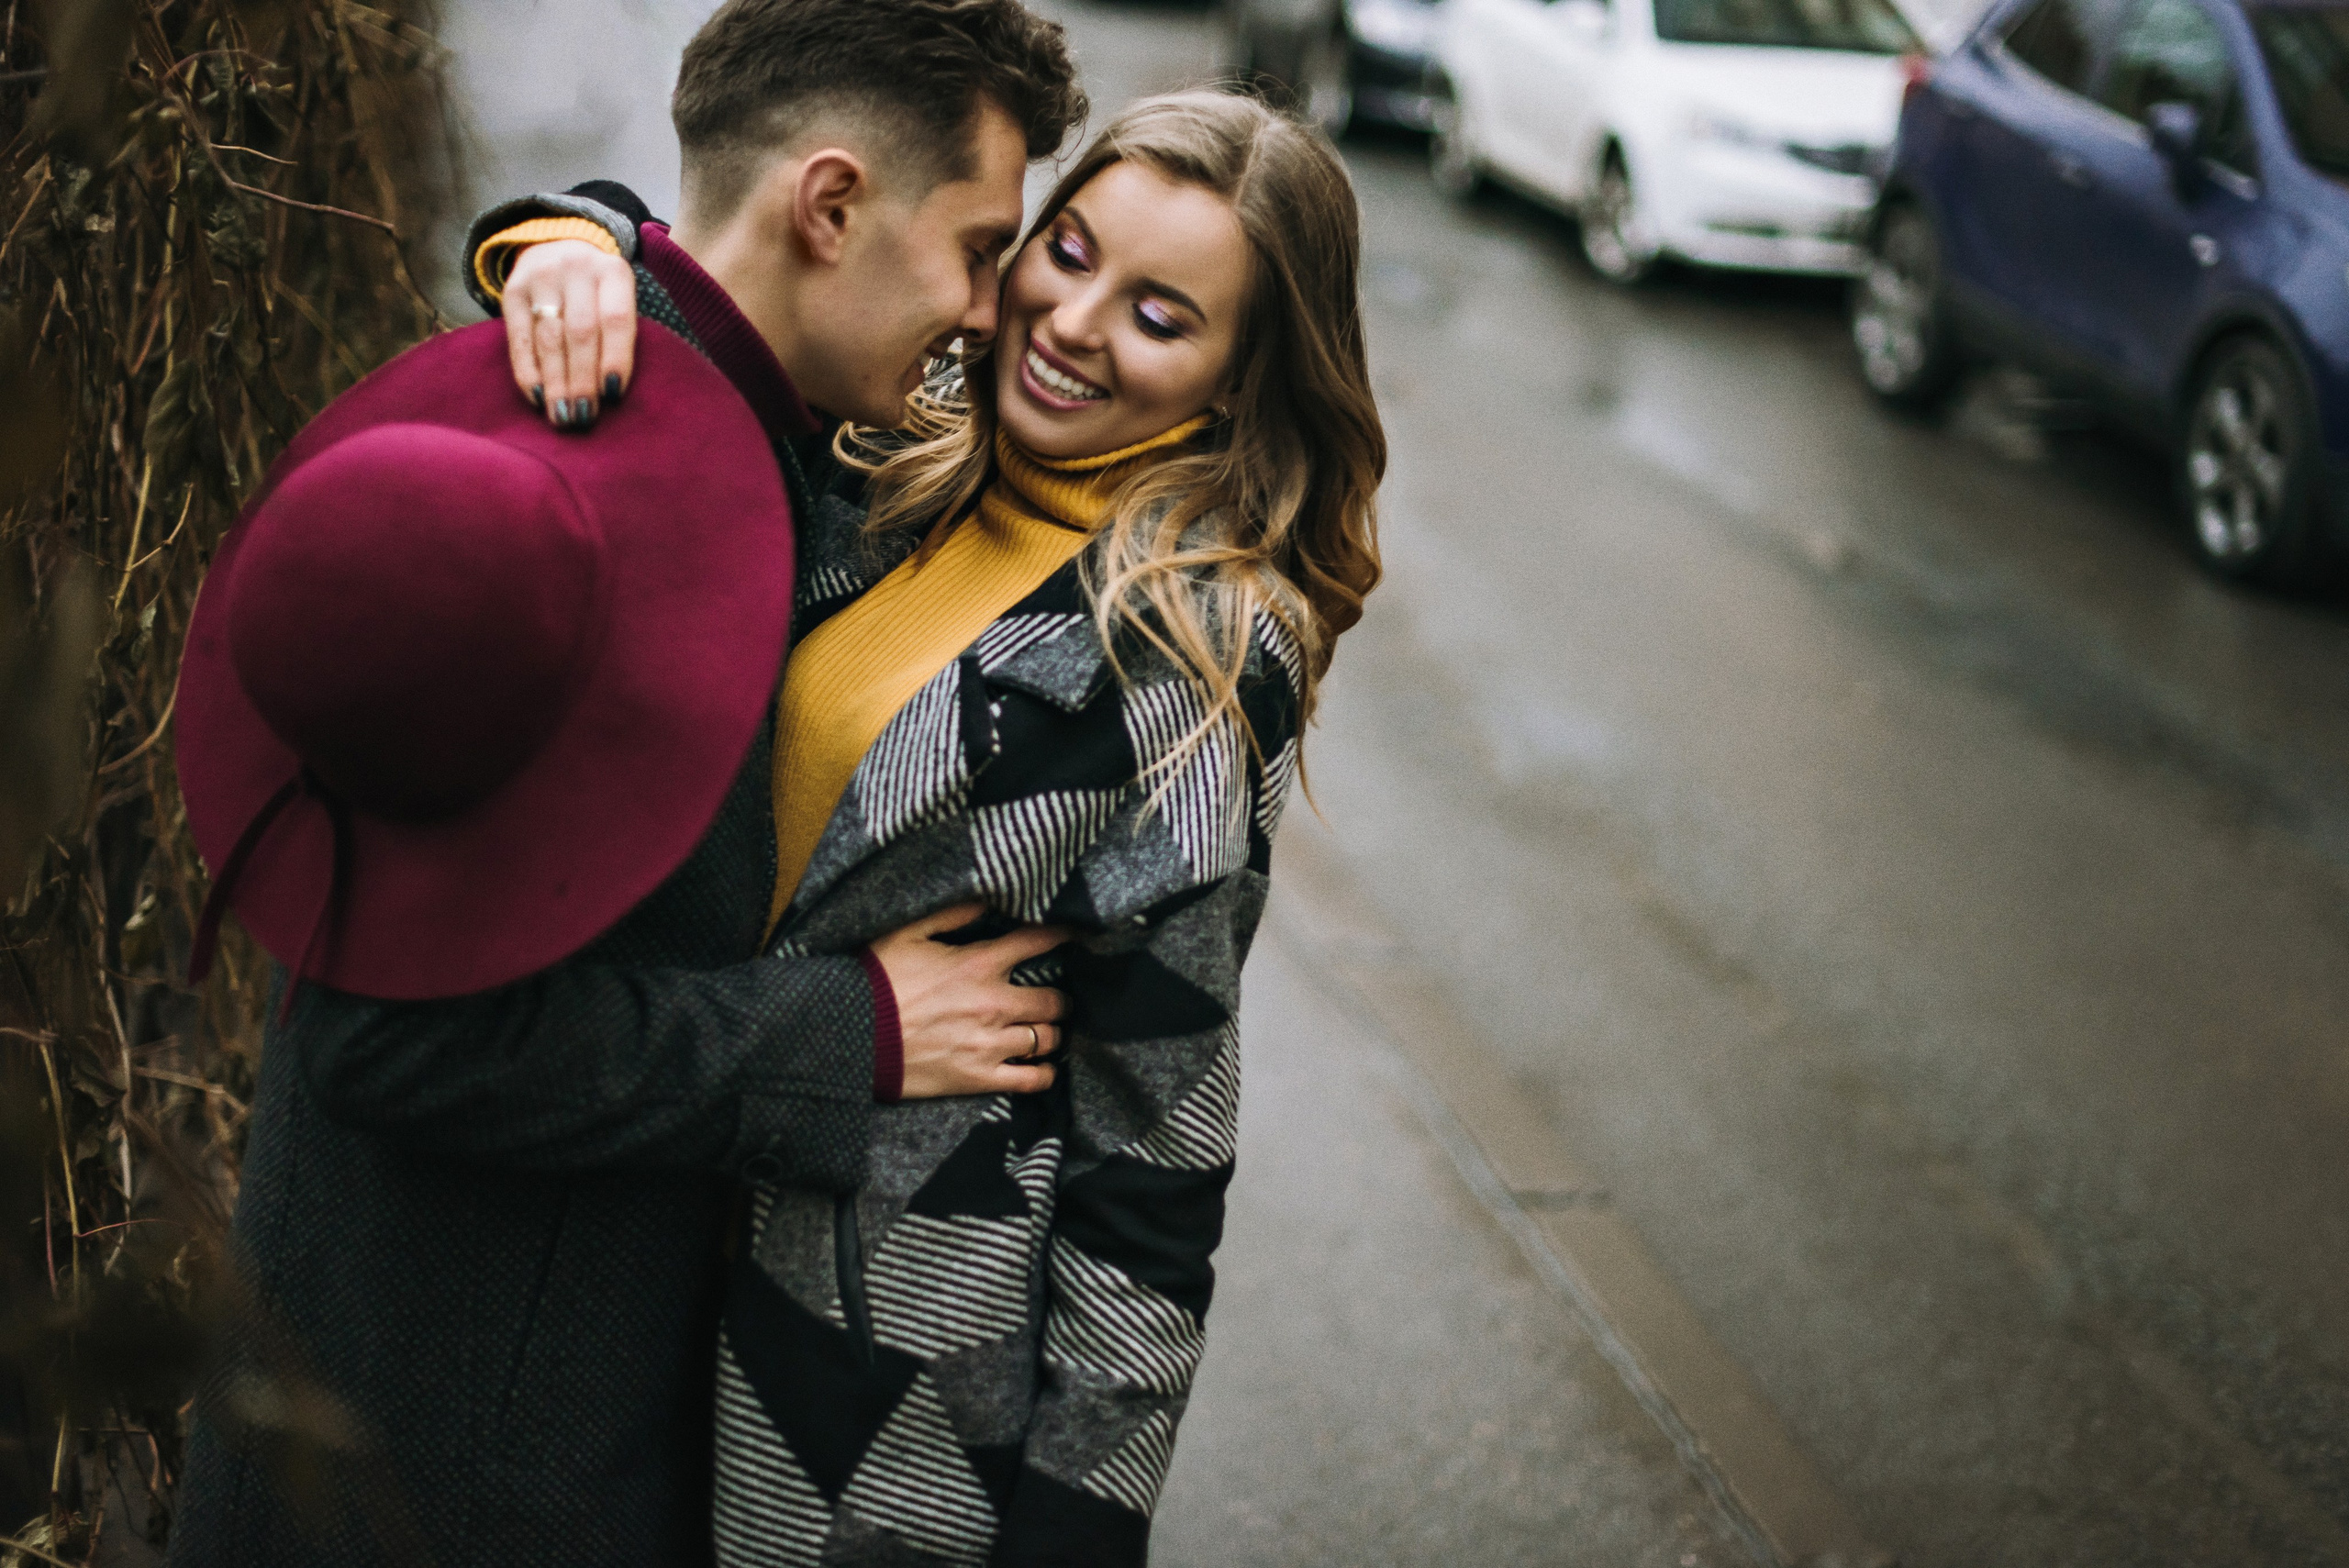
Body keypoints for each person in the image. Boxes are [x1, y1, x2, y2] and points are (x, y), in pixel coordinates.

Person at [166, 4, 1088, 1565]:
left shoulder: (755, 418)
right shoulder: (566, 496)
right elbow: (389, 1045)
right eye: (982, 249)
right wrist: (845, 1032)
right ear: (834, 204)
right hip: (442, 1471)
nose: (993, 312)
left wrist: (578, 232)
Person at [474, 89, 1386, 1564]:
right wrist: (573, 243)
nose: (1073, 321)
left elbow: (1157, 1135)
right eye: (1068, 249)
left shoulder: (1200, 655)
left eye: (1159, 315)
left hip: (889, 1359)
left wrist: (1079, 1528)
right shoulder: (912, 443)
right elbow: (734, 289)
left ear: (1234, 382)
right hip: (651, 1228)